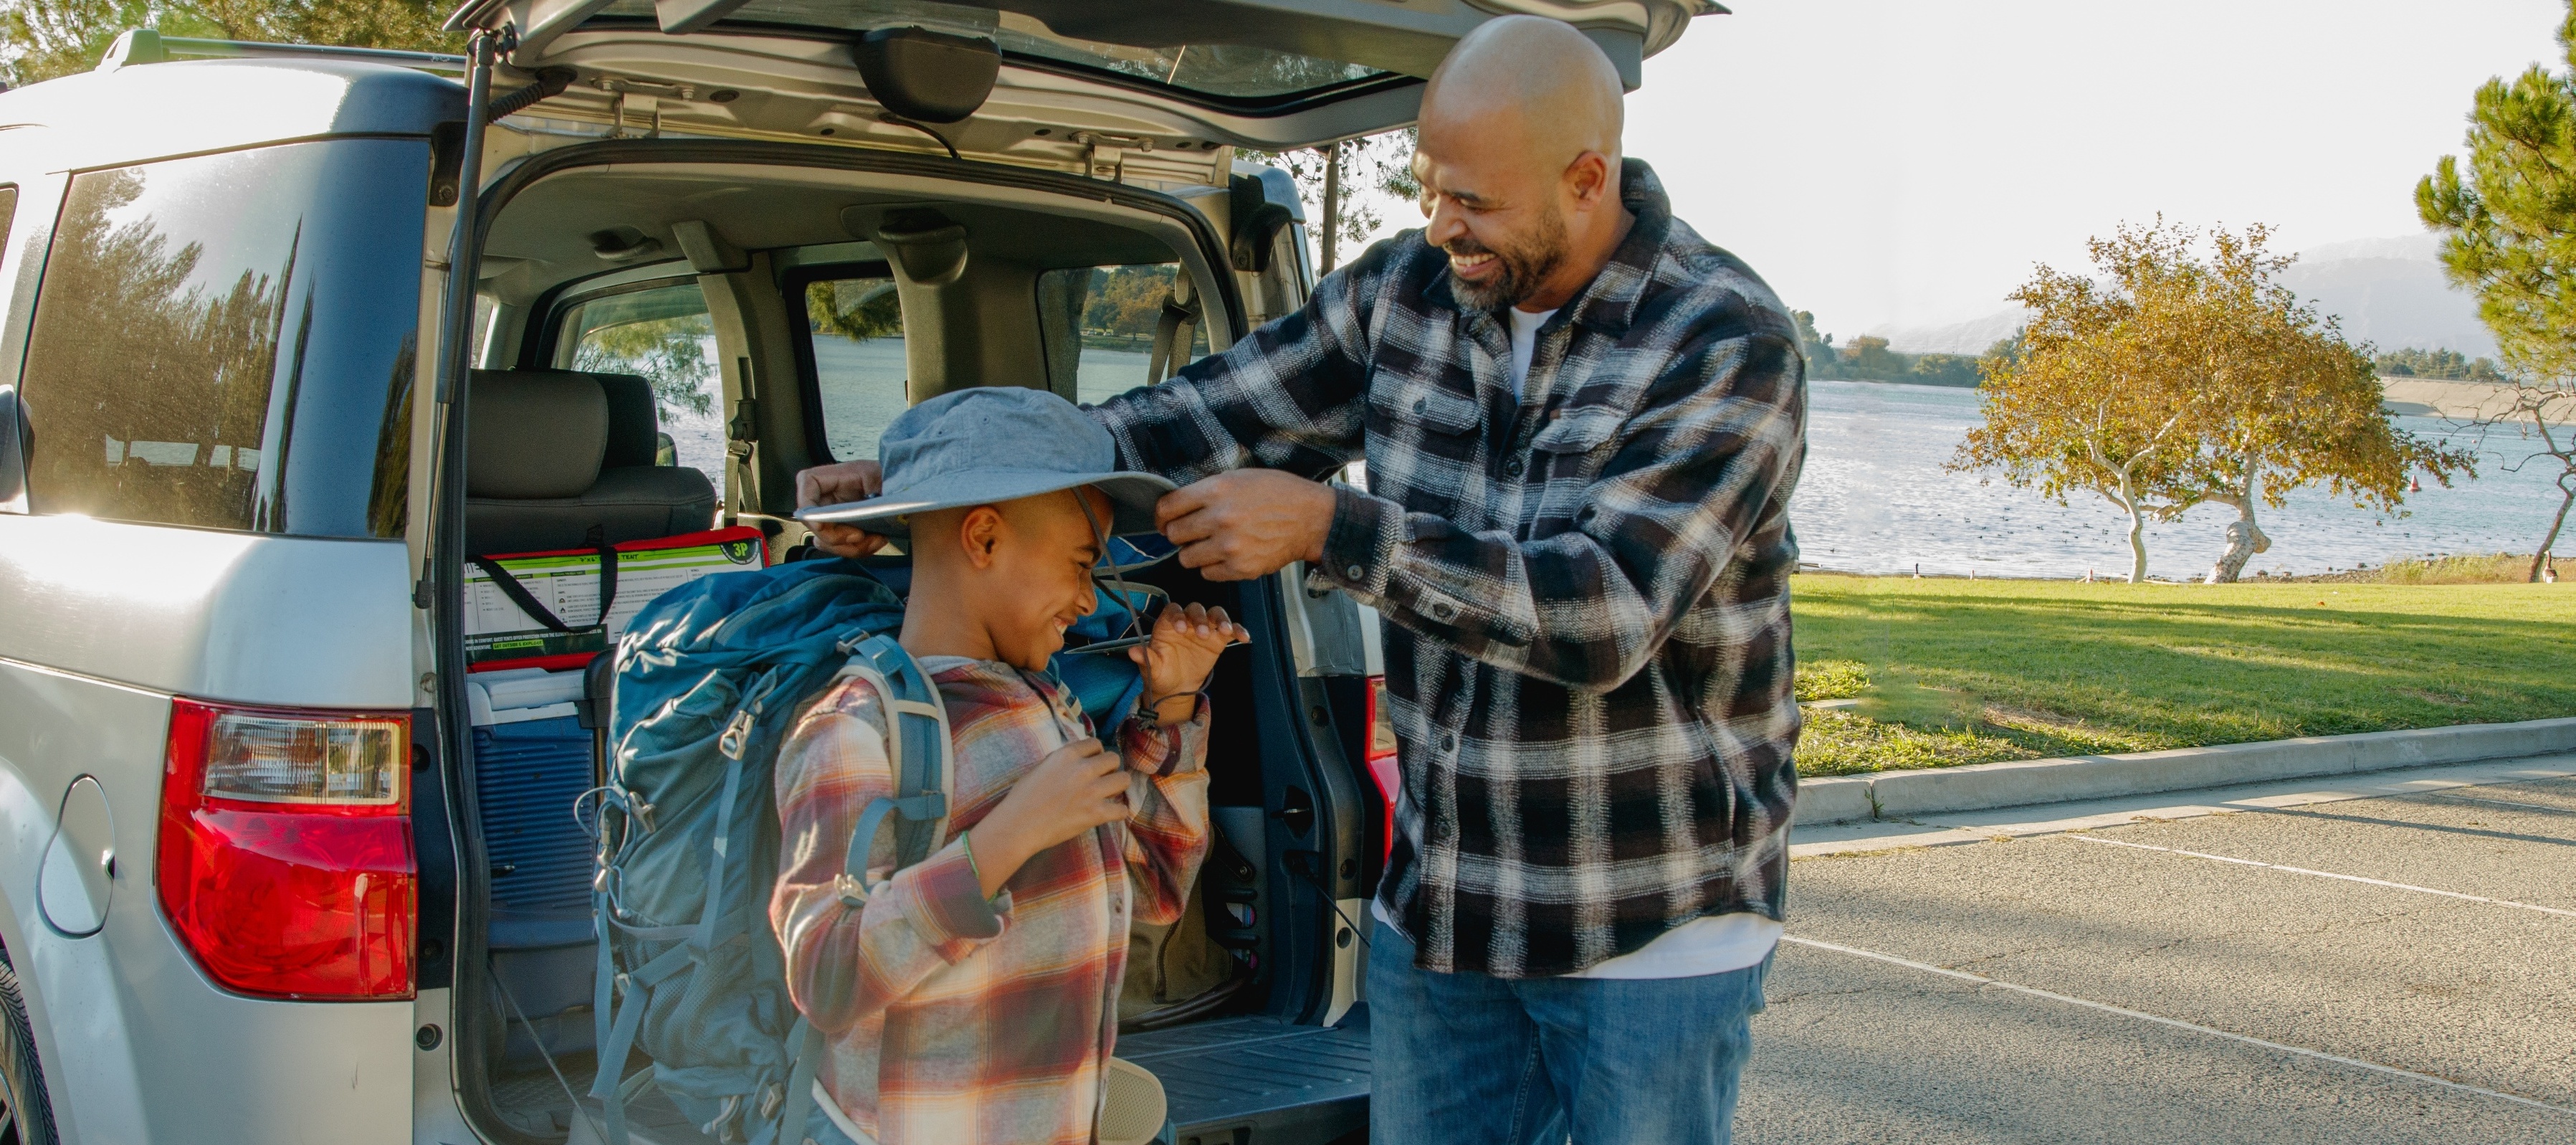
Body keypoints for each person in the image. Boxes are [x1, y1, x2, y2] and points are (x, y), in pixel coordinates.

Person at [798, 16, 1806, 1144]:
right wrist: (928, 483)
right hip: (1444, 912)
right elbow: (1201, 415)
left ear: (1585, 178)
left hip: (1650, 929)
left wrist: (1333, 527)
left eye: (1474, 202)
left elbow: (1604, 611)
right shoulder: (1406, 292)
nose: (1442, 228)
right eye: (1430, 190)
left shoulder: (1722, 341)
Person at [771, 387, 1243, 1145]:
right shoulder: (857, 726)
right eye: (1081, 563)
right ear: (984, 538)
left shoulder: (1051, 708)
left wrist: (1174, 705)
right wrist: (1002, 842)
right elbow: (824, 975)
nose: (1089, 598)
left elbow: (1152, 891)